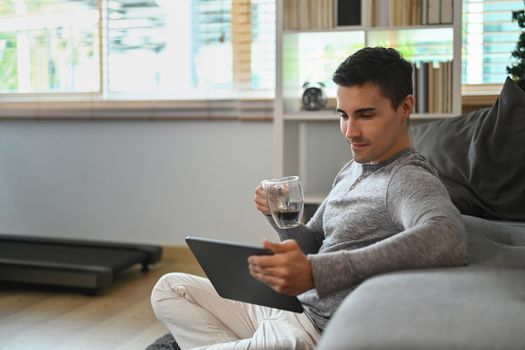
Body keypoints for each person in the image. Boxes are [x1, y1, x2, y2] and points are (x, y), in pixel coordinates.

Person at [150, 47, 467, 350]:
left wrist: (317, 272)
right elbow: (313, 241)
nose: (349, 131)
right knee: (169, 288)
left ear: (405, 107)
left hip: (312, 332)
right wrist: (280, 220)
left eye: (365, 115)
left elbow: (448, 236)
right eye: (343, 115)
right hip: (290, 307)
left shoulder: (407, 179)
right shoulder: (352, 169)